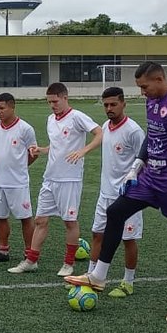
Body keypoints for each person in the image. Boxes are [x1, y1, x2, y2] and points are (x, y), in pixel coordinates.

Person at [66, 62, 167, 323]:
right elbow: (153, 136)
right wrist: (138, 165)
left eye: (144, 86)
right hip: (150, 179)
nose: (142, 92)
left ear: (160, 79)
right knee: (115, 212)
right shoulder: (152, 103)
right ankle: (99, 275)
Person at [10, 83, 101, 277]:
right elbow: (57, 145)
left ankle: (68, 264)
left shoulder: (77, 117)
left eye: (55, 101)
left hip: (69, 179)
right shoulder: (51, 119)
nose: (52, 105)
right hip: (50, 178)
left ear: (65, 98)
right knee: (41, 220)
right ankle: (31, 260)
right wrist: (42, 150)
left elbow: (100, 133)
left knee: (69, 221)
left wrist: (83, 150)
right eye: (49, 102)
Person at [89, 87, 146, 297]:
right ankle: (91, 276)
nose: (109, 108)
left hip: (127, 197)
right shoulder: (105, 126)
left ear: (123, 103)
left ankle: (128, 282)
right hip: (105, 193)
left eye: (113, 104)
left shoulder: (133, 130)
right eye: (106, 105)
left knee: (128, 239)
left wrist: (134, 184)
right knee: (97, 234)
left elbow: (145, 160)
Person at [0, 93, 37, 265]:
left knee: (25, 217)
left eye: (2, 108)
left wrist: (20, 167)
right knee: (0, 216)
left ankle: (30, 254)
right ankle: (2, 251)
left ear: (12, 107)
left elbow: (33, 153)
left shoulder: (25, 129)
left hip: (17, 183)